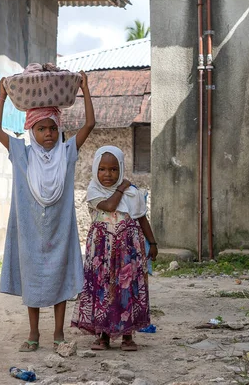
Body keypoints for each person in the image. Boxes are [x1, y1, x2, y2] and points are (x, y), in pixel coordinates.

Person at [0, 70, 95, 352]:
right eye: (41, 129)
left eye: (52, 128)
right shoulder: (21, 154)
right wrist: (2, 96)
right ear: (31, 131)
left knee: (59, 280)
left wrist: (85, 90)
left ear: (59, 129)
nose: (47, 134)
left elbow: (90, 124)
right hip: (30, 232)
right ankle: (34, 333)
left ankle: (58, 334)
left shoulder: (67, 152)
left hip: (59, 230)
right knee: (33, 280)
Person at [71, 146, 158, 351]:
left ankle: (127, 335)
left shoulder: (133, 193)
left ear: (120, 170)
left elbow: (142, 219)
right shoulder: (94, 190)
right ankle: (103, 335)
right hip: (101, 249)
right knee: (102, 288)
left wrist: (152, 243)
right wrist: (121, 188)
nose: (107, 174)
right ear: (95, 170)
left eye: (113, 170)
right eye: (102, 169)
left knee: (126, 289)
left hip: (129, 248)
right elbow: (110, 207)